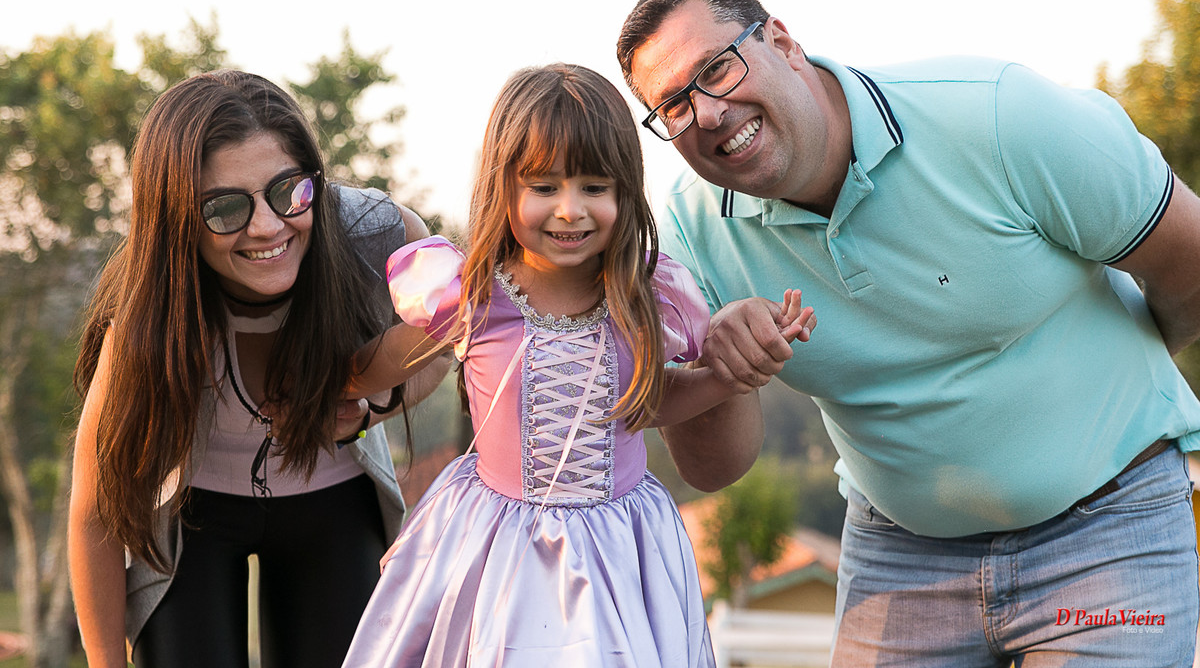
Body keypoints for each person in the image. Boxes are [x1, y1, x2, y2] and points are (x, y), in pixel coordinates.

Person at [616, 0, 1200, 667]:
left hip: (1110, 532)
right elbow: (714, 469)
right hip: (901, 559)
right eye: (674, 106)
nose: (708, 113)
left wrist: (1121, 382)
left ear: (782, 41)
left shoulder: (995, 114)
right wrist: (723, 363)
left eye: (717, 68)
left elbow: (1188, 260)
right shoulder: (685, 239)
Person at [338, 63, 814, 667]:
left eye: (594, 187)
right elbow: (383, 363)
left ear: (625, 190)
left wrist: (728, 377)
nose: (570, 210)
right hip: (496, 545)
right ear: (503, 187)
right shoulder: (471, 294)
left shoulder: (644, 296)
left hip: (617, 549)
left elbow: (645, 404)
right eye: (543, 188)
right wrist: (342, 396)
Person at [68, 70, 449, 668]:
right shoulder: (146, 309)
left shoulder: (377, 234)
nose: (268, 227)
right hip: (191, 516)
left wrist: (367, 409)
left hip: (334, 501)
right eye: (224, 208)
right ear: (177, 218)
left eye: (288, 191)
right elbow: (95, 510)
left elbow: (442, 342)